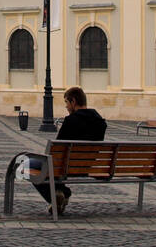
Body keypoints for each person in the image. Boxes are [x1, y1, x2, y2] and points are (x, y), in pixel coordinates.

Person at [31, 86, 106, 216]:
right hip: (87, 166)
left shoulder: (71, 121)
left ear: (73, 101)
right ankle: (60, 192)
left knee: (26, 166)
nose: (66, 106)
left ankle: (58, 195)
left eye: (66, 102)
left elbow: (56, 149)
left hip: (64, 166)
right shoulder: (100, 122)